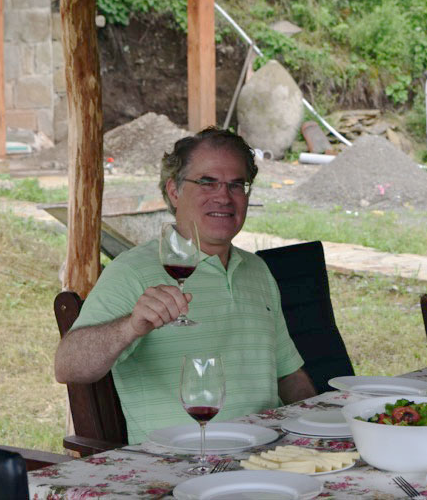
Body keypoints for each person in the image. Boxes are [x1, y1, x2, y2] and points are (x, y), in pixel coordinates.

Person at [54, 127, 316, 444]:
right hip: (182, 465)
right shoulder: (133, 272)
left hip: (268, 455)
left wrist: (316, 427)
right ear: (174, 191)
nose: (224, 196)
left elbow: (289, 375)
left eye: (237, 185)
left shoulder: (257, 271)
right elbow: (67, 366)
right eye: (207, 182)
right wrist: (131, 327)